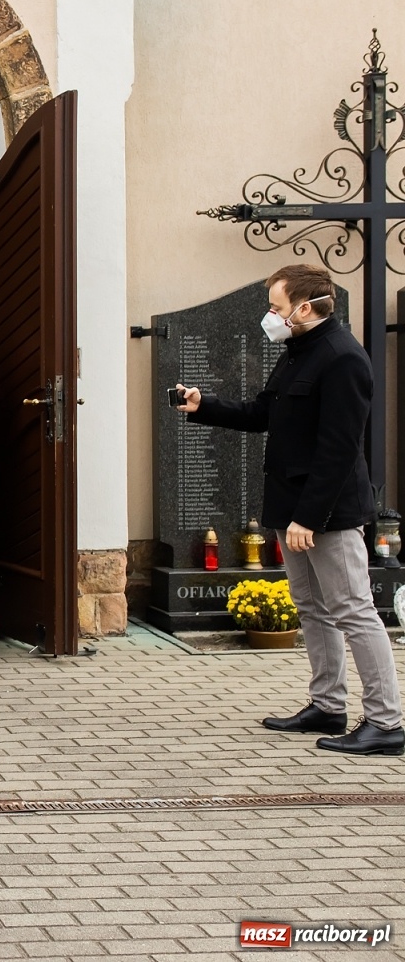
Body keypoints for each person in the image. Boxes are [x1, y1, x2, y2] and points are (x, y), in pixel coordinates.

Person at [177, 263, 402, 756]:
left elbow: (339, 449)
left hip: (326, 513)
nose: (271, 315)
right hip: (291, 507)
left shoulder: (343, 358)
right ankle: (327, 705)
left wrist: (310, 518)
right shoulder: (299, 352)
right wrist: (204, 405)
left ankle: (386, 723)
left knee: (354, 610)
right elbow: (265, 414)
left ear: (303, 308)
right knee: (312, 608)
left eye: (276, 307)